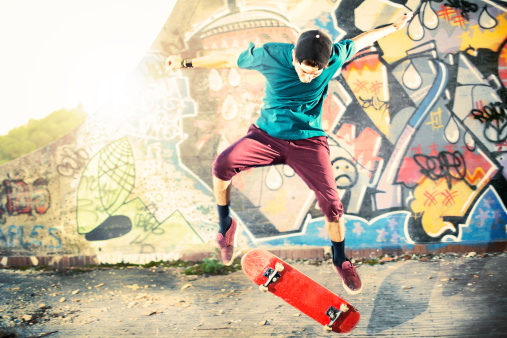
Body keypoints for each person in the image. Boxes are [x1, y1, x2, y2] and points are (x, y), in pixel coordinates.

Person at [166, 12, 414, 295]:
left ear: (325, 64)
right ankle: (226, 227)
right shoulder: (271, 55)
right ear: (294, 57)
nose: (308, 76)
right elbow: (226, 59)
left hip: (308, 142)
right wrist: (185, 62)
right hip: (266, 136)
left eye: (315, 72)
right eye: (303, 69)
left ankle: (340, 260)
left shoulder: (333, 58)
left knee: (333, 205)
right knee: (221, 166)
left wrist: (392, 27)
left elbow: (360, 40)